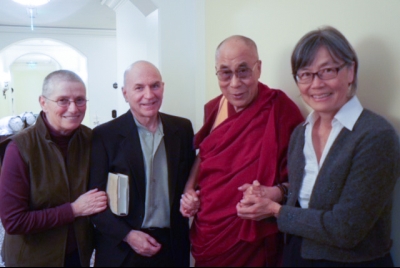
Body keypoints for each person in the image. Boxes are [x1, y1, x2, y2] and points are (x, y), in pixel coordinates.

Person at [237, 26, 400, 267]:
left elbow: (346, 228)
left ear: (350, 71)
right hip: (297, 256)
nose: (316, 84)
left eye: (327, 70)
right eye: (305, 74)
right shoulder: (300, 133)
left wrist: (275, 211)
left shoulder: (375, 136)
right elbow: (311, 195)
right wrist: (276, 194)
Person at [180, 35, 304, 266]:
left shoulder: (280, 109)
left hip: (253, 233)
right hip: (210, 227)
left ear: (258, 68)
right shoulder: (214, 107)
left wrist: (273, 193)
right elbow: (205, 154)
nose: (235, 83)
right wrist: (188, 190)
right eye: (225, 73)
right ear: (217, 72)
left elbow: (302, 179)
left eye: (243, 71)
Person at [89, 61, 195, 267]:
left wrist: (192, 198)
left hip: (172, 246)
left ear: (163, 88)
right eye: (139, 87)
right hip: (123, 248)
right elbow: (94, 203)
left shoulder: (182, 129)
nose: (149, 95)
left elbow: (190, 184)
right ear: (125, 93)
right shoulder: (104, 136)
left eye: (155, 86)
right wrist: (128, 235)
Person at [0, 70, 108, 267]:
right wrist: (74, 209)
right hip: (33, 258)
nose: (73, 108)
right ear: (43, 102)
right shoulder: (19, 148)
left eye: (80, 100)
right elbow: (14, 221)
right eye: (63, 100)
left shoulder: (91, 139)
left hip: (79, 254)